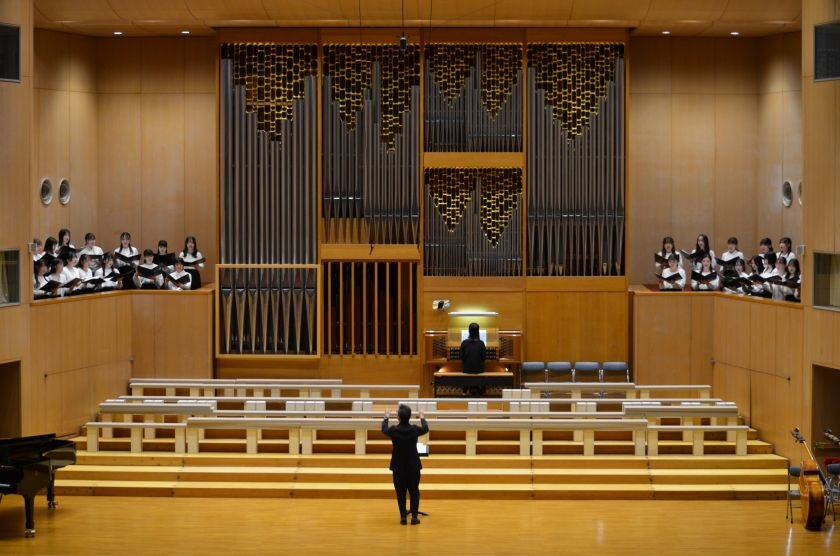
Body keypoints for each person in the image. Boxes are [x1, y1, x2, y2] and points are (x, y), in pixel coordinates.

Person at [381, 405, 429, 525]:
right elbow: (425, 428)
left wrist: (386, 417)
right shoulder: (414, 430)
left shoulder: (394, 430)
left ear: (398, 417)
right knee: (414, 492)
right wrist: (422, 417)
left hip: (398, 467)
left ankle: (403, 517)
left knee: (400, 492)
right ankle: (414, 518)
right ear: (409, 417)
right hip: (413, 466)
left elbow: (384, 429)